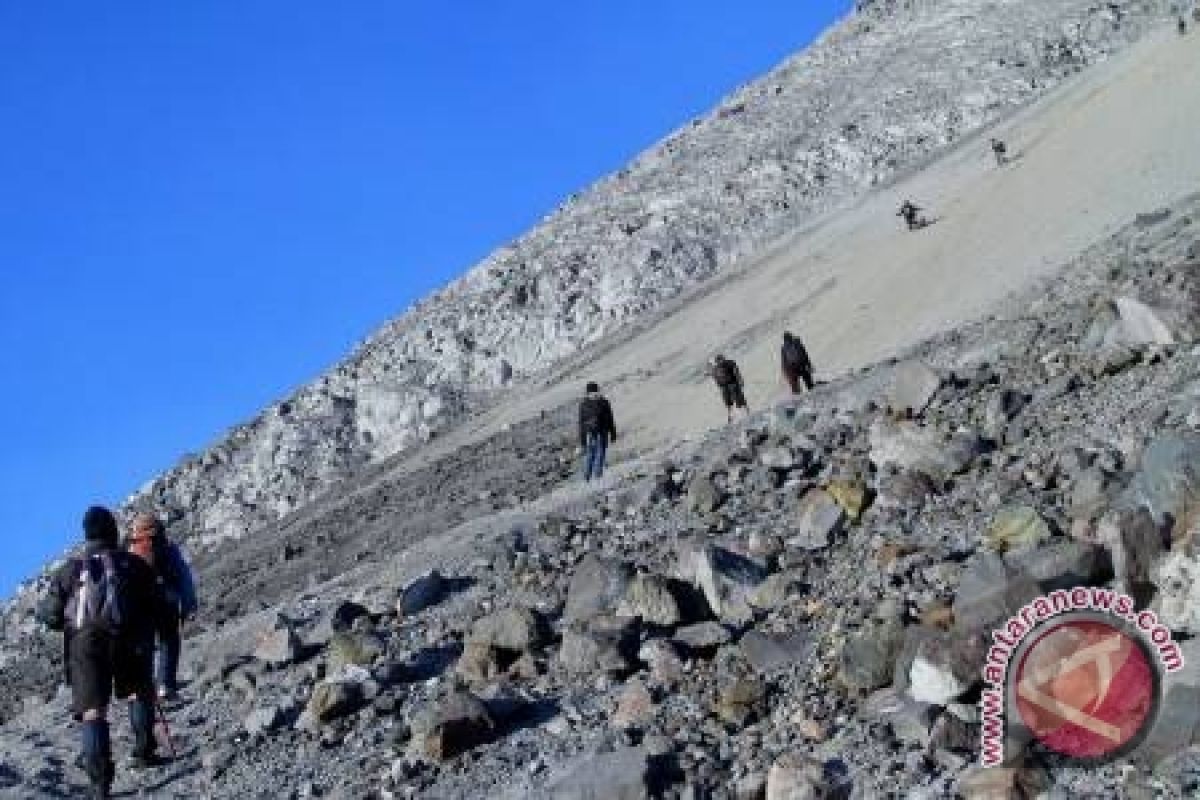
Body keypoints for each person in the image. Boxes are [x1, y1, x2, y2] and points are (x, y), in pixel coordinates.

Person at [36, 506, 168, 799]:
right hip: (128, 637)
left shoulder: (71, 570)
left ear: (86, 535)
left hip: (85, 645)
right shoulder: (132, 564)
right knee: (138, 692)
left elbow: (50, 615)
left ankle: (100, 786)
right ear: (113, 532)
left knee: (93, 712)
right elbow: (155, 604)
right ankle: (144, 751)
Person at [126, 512, 197, 702]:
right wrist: (189, 604)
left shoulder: (132, 550)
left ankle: (143, 690)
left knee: (145, 646)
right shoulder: (168, 548)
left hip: (141, 606)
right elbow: (184, 577)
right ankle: (165, 686)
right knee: (169, 641)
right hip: (168, 600)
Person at [578, 381, 616, 481]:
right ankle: (592, 476)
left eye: (595, 392)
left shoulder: (587, 404)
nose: (594, 394)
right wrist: (582, 441)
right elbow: (581, 423)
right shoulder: (600, 402)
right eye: (593, 392)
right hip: (596, 433)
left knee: (596, 454)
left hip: (597, 433)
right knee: (595, 454)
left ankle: (592, 476)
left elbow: (610, 418)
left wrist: (613, 433)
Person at [709, 354, 748, 423]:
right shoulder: (715, 369)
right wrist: (719, 386)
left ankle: (745, 412)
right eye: (718, 360)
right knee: (728, 402)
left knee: (739, 399)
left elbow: (736, 371)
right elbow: (715, 377)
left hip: (733, 383)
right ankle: (731, 417)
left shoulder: (729, 363)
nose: (720, 362)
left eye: (720, 359)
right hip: (724, 387)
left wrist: (740, 380)